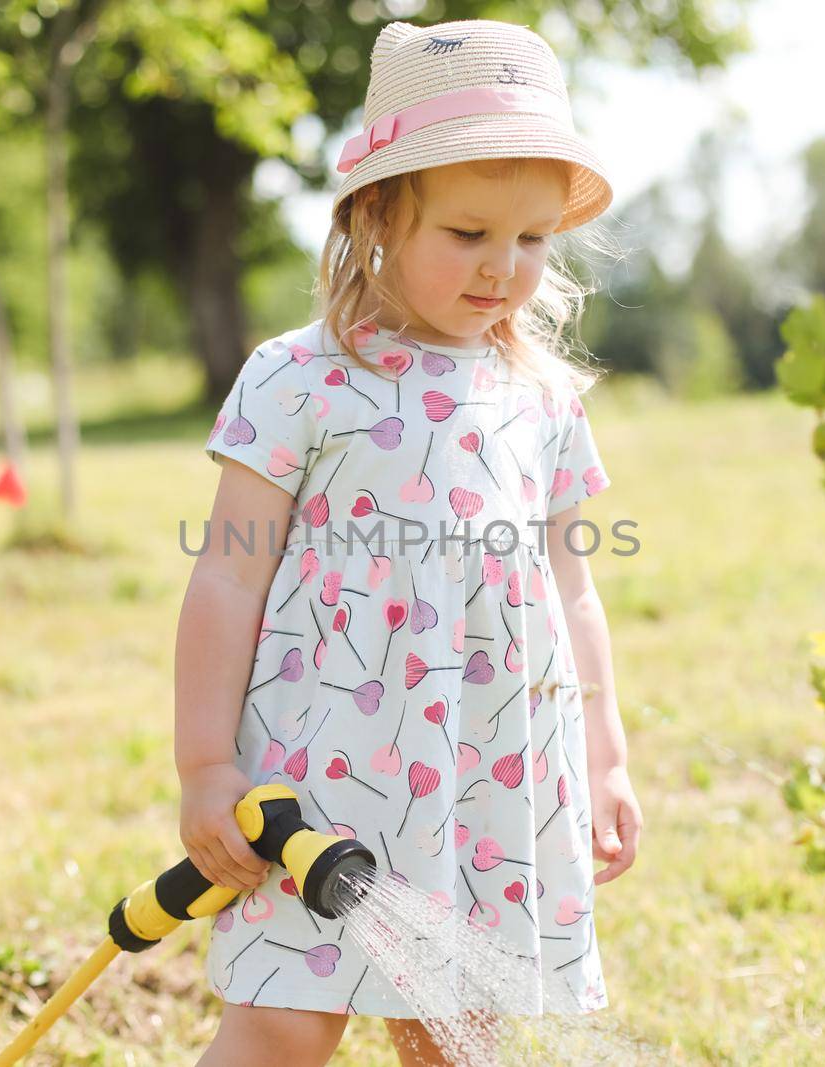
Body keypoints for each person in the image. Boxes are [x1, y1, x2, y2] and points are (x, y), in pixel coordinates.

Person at [174, 17, 642, 1066]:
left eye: (529, 239)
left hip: (484, 765)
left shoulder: (542, 396)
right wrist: (206, 764)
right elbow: (225, 575)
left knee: (455, 1033)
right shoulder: (300, 377)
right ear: (380, 213)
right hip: (323, 772)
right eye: (467, 234)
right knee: (284, 1021)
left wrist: (605, 755)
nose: (503, 268)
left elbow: (571, 592)